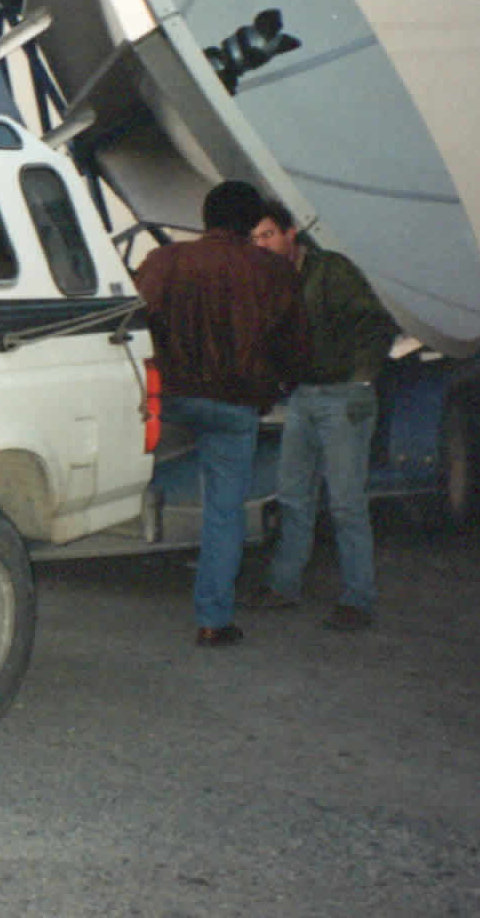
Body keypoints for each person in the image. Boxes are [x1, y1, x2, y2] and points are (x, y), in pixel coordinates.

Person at [133, 180, 308, 647]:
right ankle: (213, 620)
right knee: (224, 513)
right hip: (235, 403)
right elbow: (294, 348)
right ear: (252, 223)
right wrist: (279, 386)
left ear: (206, 217)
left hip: (169, 396)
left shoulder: (163, 263)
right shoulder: (273, 272)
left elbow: (130, 322)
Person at [242, 200, 399, 631]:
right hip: (303, 398)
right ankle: (283, 587)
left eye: (268, 234)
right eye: (254, 238)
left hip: (342, 397)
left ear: (291, 233)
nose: (261, 244)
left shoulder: (331, 271)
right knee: (293, 497)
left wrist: (362, 382)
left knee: (347, 504)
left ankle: (358, 600)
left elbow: (376, 323)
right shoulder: (270, 283)